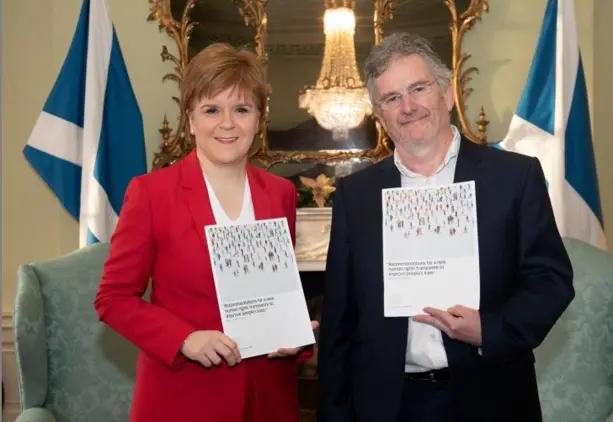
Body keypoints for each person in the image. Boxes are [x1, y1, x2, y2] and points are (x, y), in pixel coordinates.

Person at [317, 32, 575, 422]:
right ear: (380, 114)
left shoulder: (513, 177)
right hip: (388, 404)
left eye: (418, 88)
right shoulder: (356, 196)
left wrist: (490, 330)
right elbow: (340, 319)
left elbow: (550, 280)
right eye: (391, 98)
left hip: (492, 397)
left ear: (447, 93)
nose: (407, 107)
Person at [94, 43, 316, 422]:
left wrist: (295, 334)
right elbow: (113, 298)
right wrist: (184, 338)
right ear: (191, 118)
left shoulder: (280, 193)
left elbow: (275, 293)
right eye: (212, 109)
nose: (227, 123)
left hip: (268, 398)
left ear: (259, 119)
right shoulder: (150, 194)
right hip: (184, 397)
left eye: (241, 109)